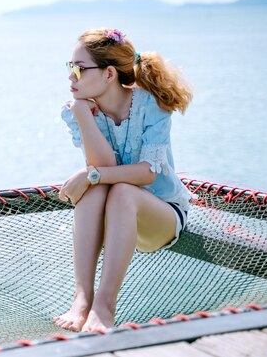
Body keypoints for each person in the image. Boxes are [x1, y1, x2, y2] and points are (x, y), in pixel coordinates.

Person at [53, 27, 193, 333]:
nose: (70, 77)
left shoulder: (151, 105)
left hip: (162, 215)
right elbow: (103, 165)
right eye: (69, 68)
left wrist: (90, 175)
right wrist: (82, 114)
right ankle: (82, 299)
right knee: (97, 190)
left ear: (109, 74)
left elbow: (146, 172)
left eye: (79, 68)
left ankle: (105, 305)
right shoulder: (78, 111)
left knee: (120, 191)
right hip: (115, 220)